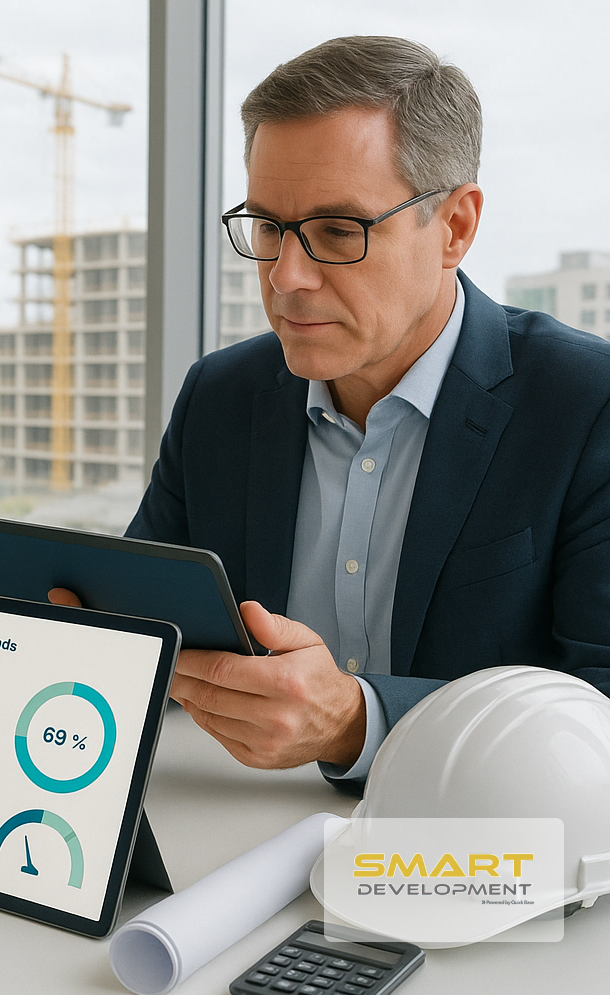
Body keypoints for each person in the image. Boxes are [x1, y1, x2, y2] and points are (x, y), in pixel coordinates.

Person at [58, 35, 610, 788]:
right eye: (269, 228)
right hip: (236, 835)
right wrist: (80, 638)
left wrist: (358, 722)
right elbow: (148, 634)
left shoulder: (586, 404)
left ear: (454, 227)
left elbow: (599, 717)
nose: (287, 277)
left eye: (337, 232)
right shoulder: (217, 398)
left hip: (491, 862)